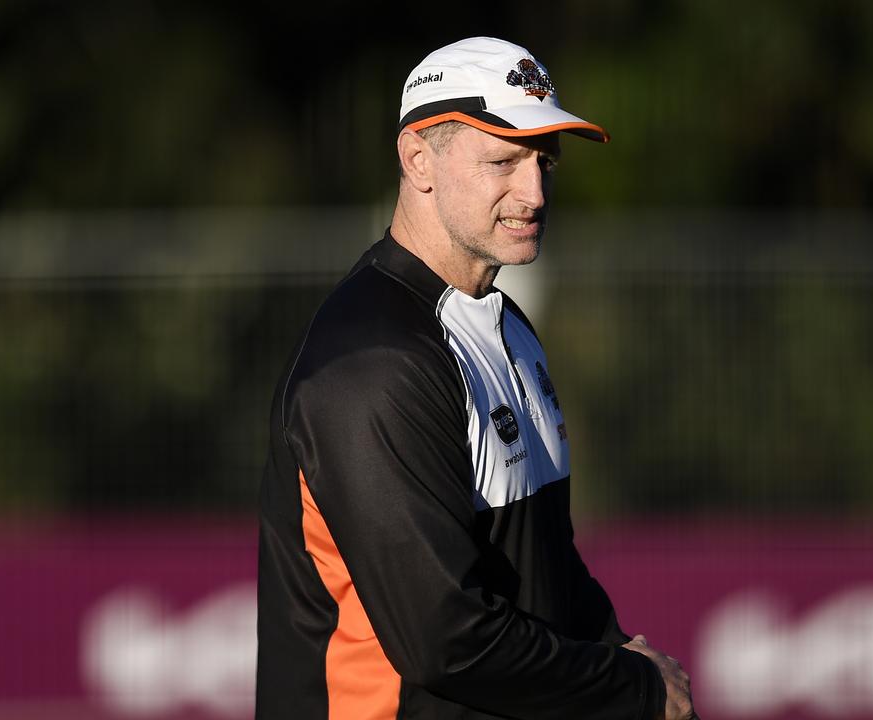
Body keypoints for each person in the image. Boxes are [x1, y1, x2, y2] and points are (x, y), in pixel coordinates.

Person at [256, 36, 696, 720]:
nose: (536, 190)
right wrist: (632, 689)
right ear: (417, 160)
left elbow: (544, 565)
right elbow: (444, 640)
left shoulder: (506, 325)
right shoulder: (372, 362)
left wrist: (617, 651)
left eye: (544, 160)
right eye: (503, 161)